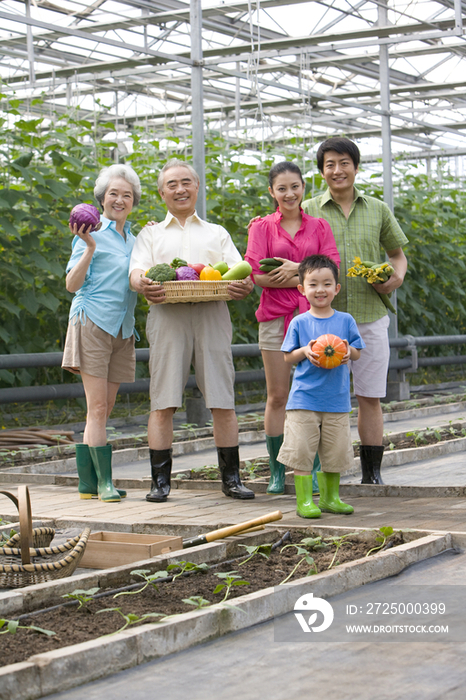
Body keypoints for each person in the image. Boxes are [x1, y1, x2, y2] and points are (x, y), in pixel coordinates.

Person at [129, 158, 255, 502]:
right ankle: (160, 482)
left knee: (222, 397)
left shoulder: (217, 232)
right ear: (161, 193)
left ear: (197, 188)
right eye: (172, 184)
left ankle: (231, 478)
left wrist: (245, 285)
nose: (180, 189)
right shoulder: (150, 233)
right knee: (163, 399)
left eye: (186, 182)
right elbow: (136, 272)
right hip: (167, 315)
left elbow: (239, 273)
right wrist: (143, 284)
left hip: (213, 312)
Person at [302, 137, 408, 485]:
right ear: (321, 172)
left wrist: (394, 278)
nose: (337, 170)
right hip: (321, 319)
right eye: (330, 164)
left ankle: (371, 473)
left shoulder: (377, 208)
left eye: (344, 162)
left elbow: (397, 254)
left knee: (370, 396)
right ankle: (318, 474)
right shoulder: (309, 209)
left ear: (356, 167)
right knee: (318, 399)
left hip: (368, 315)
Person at [244, 161, 340, 496]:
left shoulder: (319, 226)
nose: (289, 194)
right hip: (275, 316)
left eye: (295, 187)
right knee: (278, 395)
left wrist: (296, 269)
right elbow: (256, 273)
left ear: (304, 188)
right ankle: (276, 470)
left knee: (312, 396)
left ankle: (309, 469)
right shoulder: (261, 228)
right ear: (272, 192)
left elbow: (332, 266)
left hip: (315, 318)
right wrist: (303, 276)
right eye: (281, 188)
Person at [62, 164, 141, 503]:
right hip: (92, 321)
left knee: (105, 406)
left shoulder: (136, 241)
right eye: (113, 194)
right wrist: (90, 248)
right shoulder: (89, 234)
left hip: (122, 328)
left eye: (126, 195)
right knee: (96, 407)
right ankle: (105, 484)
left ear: (134, 201)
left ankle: (87, 483)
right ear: (102, 199)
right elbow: (71, 285)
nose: (120, 199)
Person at [277, 255, 365, 518]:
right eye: (313, 284)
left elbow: (358, 350)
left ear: (336, 289)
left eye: (327, 284)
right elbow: (287, 356)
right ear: (302, 289)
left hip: (336, 400)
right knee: (301, 452)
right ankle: (304, 502)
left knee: (335, 452)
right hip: (304, 400)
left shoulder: (346, 320)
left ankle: (330, 498)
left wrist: (349, 351)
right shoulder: (299, 322)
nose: (320, 290)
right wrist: (305, 350)